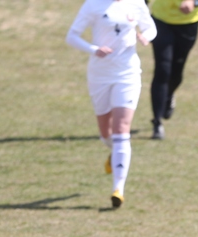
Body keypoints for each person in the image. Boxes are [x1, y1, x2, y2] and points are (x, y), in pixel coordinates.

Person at [67, 0, 157, 208]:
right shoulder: (93, 5)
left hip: (128, 73)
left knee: (121, 129)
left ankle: (118, 189)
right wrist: (94, 49)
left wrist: (145, 36)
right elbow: (71, 36)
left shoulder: (135, 4)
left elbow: (150, 26)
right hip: (100, 75)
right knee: (106, 134)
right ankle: (114, 151)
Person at [146, 0, 198, 140]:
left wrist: (195, 1)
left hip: (188, 23)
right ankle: (157, 122)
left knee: (176, 72)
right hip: (161, 20)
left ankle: (168, 95)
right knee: (162, 69)